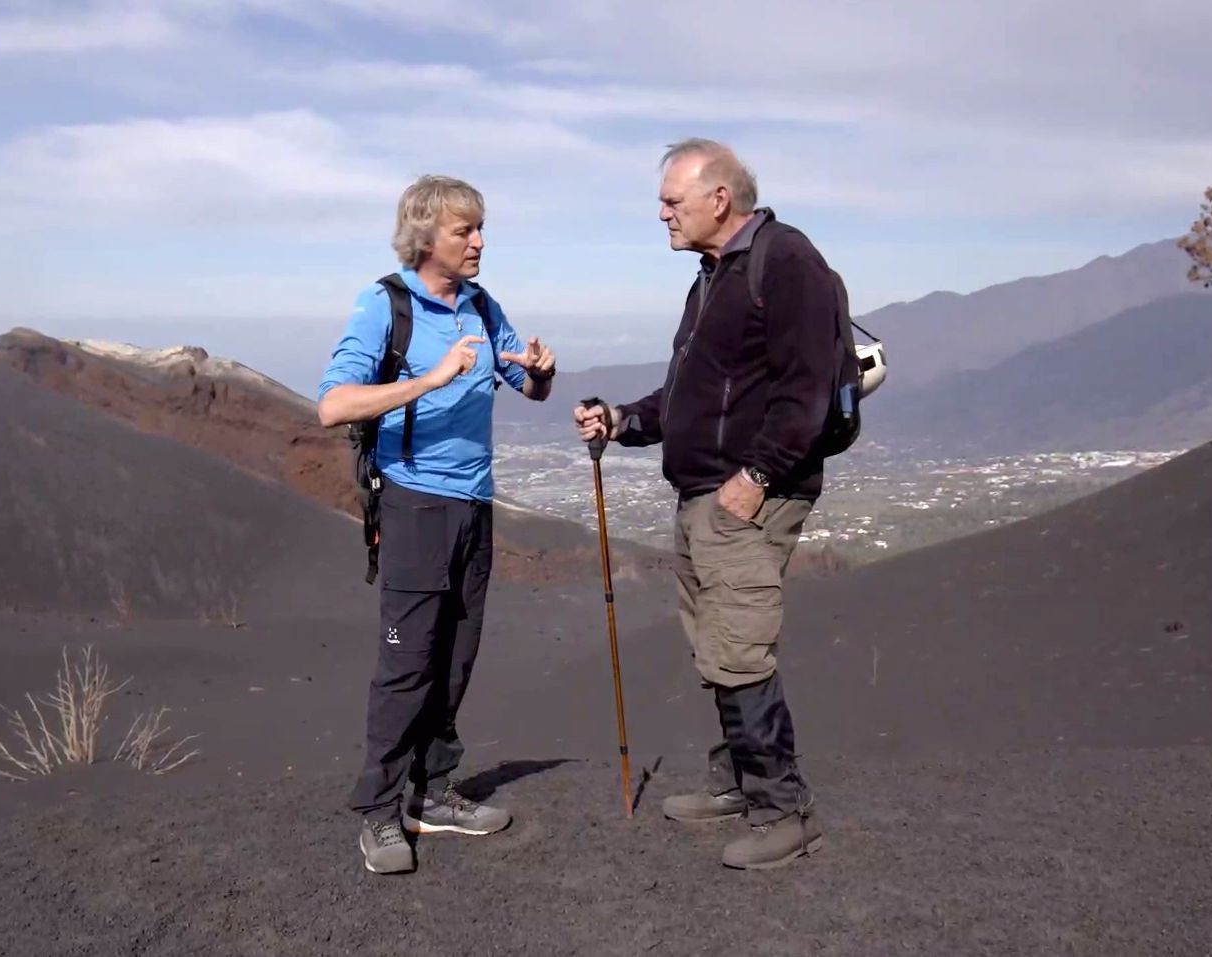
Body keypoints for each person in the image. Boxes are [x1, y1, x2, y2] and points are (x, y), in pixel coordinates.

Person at [572, 138, 839, 870]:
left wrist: (754, 477)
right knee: (716, 647)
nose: (660, 212)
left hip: (747, 497)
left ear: (718, 198)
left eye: (670, 200)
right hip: (704, 494)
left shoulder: (784, 262)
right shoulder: (716, 275)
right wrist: (624, 419)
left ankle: (784, 811)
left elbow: (806, 388)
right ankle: (737, 784)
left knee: (738, 648)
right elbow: (694, 393)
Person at [318, 174, 557, 875]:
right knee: (407, 663)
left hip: (474, 505)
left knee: (455, 653)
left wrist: (541, 371)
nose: (480, 241)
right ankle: (379, 811)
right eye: (465, 230)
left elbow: (528, 384)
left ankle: (433, 790)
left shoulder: (481, 305)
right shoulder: (384, 305)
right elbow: (333, 405)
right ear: (426, 236)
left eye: (481, 227)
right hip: (413, 505)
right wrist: (429, 380)